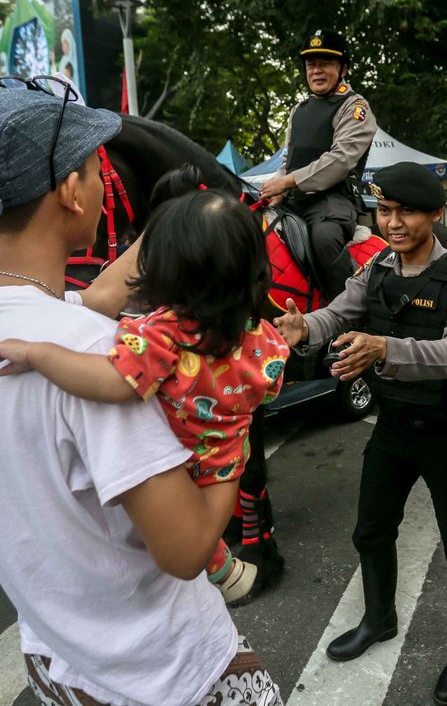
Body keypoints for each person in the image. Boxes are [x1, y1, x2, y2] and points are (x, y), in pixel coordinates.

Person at [0, 87, 284, 706]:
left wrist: (181, 229)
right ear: (71, 194)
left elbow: (99, 295)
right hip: (158, 672)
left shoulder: (45, 317)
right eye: (97, 168)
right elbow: (184, 551)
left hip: (56, 655)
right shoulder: (98, 353)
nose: (106, 183)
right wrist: (231, 438)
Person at [0, 167, 289, 603]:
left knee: (190, 540)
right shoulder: (262, 337)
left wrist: (39, 353)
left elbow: (116, 383)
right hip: (225, 459)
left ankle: (225, 571)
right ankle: (231, 570)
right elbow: (268, 387)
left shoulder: (161, 333)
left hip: (183, 464)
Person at [273, 161, 447, 706]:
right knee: (370, 531)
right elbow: (337, 314)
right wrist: (303, 328)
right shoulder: (378, 267)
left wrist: (385, 348)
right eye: (384, 211)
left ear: (435, 214)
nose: (393, 222)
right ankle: (378, 619)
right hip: (392, 429)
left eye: (406, 211)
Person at [260, 28, 376, 299]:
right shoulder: (298, 111)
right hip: (293, 202)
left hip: (332, 203)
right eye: (311, 64)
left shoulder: (355, 107)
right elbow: (288, 160)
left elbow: (340, 160)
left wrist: (287, 182)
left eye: (326, 63)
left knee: (323, 240)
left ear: (343, 68)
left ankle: (348, 314)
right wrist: (276, 189)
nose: (317, 70)